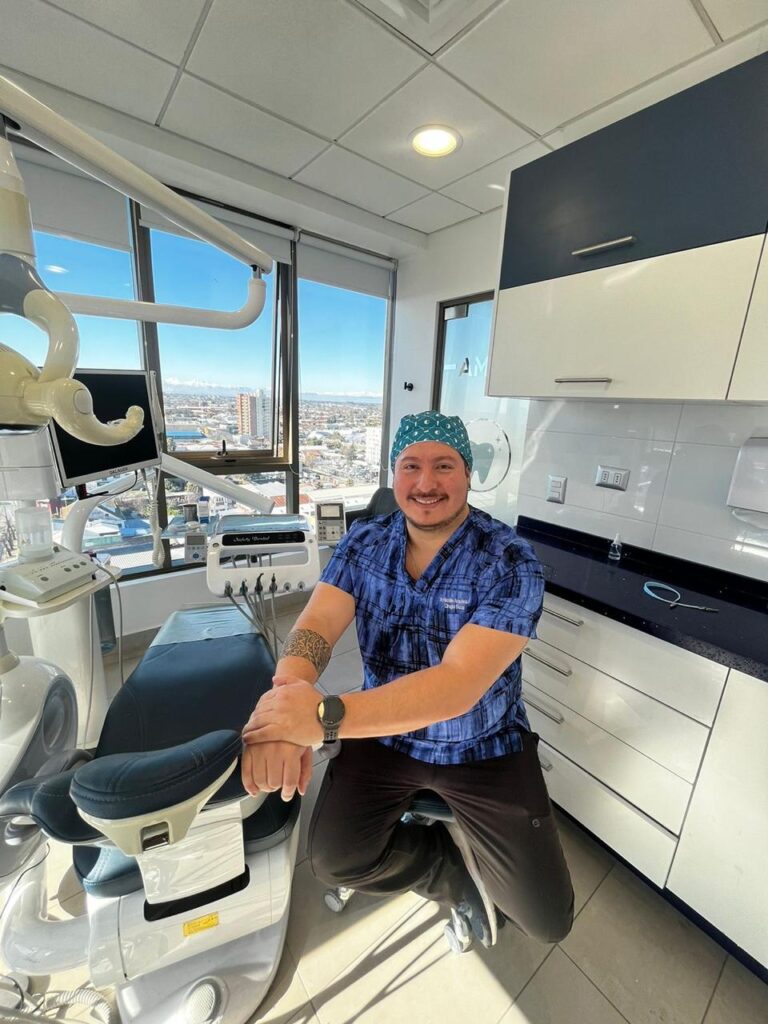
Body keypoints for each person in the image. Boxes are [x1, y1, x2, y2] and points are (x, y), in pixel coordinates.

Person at [241, 410, 574, 944]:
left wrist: (320, 718)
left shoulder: (510, 562)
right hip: (383, 736)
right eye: (411, 465)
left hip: (482, 745)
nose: (426, 483)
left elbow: (457, 684)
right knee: (333, 860)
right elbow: (318, 624)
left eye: (444, 465)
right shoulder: (364, 542)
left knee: (547, 921)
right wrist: (287, 700)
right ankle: (446, 871)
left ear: (468, 475)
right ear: (393, 473)